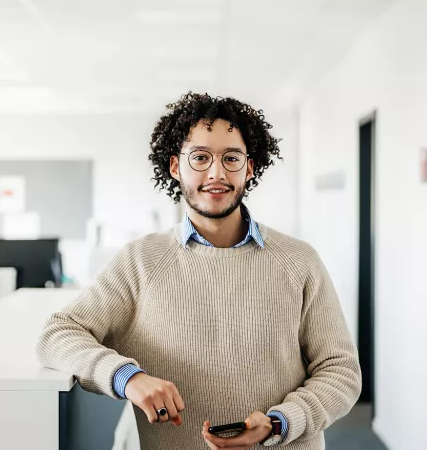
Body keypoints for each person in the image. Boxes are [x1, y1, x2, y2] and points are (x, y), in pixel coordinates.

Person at [37, 92, 361, 450]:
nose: (217, 173)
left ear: (249, 168)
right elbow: (58, 334)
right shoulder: (141, 261)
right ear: (176, 167)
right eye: (201, 157)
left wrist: (277, 423)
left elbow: (340, 371)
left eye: (231, 158)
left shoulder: (299, 261)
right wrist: (127, 377)